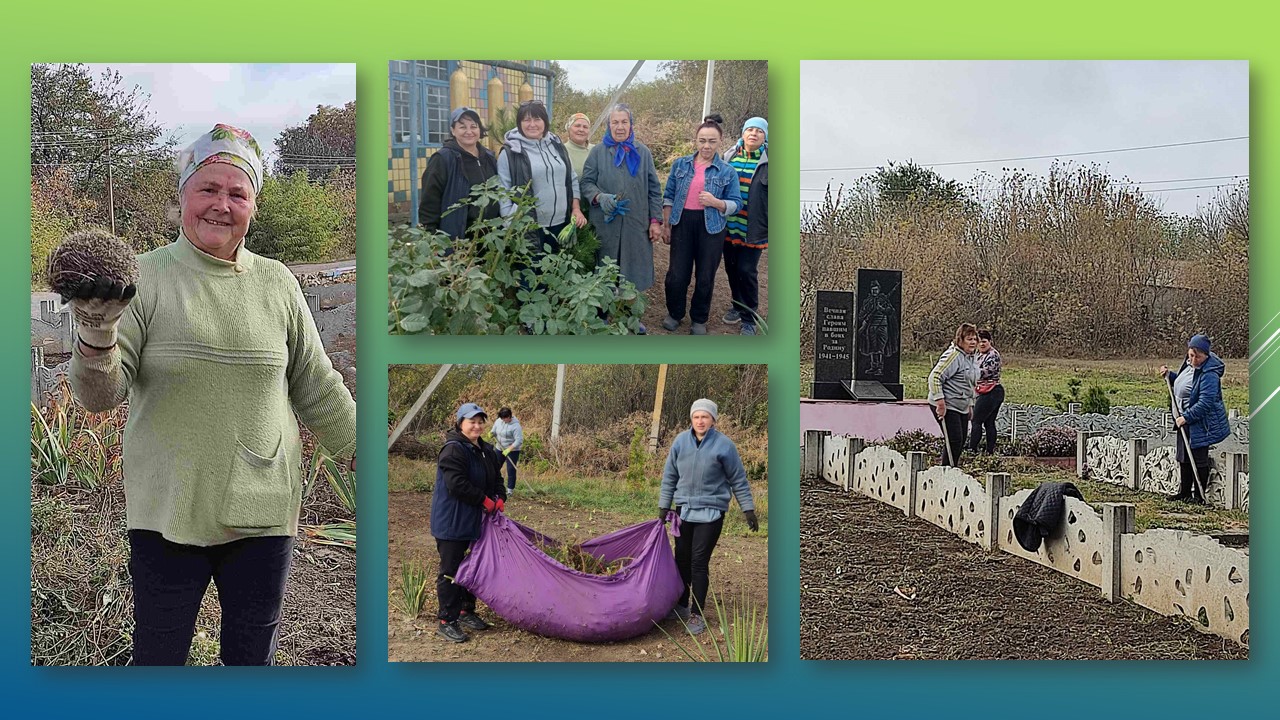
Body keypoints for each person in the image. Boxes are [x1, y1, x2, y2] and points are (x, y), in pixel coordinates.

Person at [66, 124, 356, 666]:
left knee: (250, 661)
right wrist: (96, 336)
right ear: (182, 198)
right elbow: (100, 396)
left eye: (237, 192)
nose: (221, 205)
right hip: (168, 512)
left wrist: (370, 456)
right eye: (208, 189)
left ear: (254, 205)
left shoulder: (278, 283)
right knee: (160, 658)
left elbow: (316, 384)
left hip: (262, 510)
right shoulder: (143, 278)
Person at [658, 399, 759, 635]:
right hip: (684, 510)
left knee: (698, 562)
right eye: (696, 417)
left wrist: (748, 510)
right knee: (681, 560)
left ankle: (697, 613)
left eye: (705, 417)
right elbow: (669, 476)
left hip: (711, 513)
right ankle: (681, 605)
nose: (700, 421)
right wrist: (664, 506)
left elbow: (738, 479)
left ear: (713, 420)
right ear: (691, 419)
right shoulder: (680, 442)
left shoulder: (725, 446)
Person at [581, 103, 664, 334]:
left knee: (633, 272)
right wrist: (599, 197)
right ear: (609, 126)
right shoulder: (598, 152)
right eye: (614, 122)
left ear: (631, 124)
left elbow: (654, 190)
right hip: (606, 224)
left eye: (623, 122)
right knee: (604, 271)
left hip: (636, 225)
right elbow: (586, 182)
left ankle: (630, 319)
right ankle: (601, 317)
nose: (619, 127)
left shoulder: (642, 152)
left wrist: (655, 220)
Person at [660, 114, 742, 335]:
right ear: (696, 141)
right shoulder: (681, 164)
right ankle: (675, 313)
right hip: (682, 223)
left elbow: (737, 203)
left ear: (720, 142)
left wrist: (716, 202)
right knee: (677, 275)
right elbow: (668, 196)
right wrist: (666, 225)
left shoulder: (727, 171)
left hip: (712, 227)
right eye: (702, 140)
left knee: (705, 276)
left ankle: (699, 318)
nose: (707, 146)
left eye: (712, 141)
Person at [431, 403, 507, 643]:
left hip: (476, 522)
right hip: (452, 521)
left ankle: (465, 611)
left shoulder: (486, 450)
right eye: (471, 421)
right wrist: (484, 500)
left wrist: (500, 498)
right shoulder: (453, 450)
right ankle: (447, 620)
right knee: (451, 571)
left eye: (480, 421)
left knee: (472, 566)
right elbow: (457, 485)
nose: (476, 425)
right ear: (460, 423)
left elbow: (496, 479)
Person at [496, 100, 587, 256]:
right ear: (519, 123)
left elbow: (571, 178)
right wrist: (509, 223)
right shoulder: (511, 152)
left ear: (545, 122)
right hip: (529, 228)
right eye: (526, 120)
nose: (532, 124)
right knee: (530, 277)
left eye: (537, 119)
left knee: (554, 276)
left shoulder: (557, 145)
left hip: (561, 225)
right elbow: (503, 190)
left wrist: (576, 208)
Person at [1160, 334, 1231, 503]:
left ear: (1206, 356)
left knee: (1198, 456)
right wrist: (1170, 376)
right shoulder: (1190, 364)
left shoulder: (1209, 374)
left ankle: (1199, 495)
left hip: (1200, 421)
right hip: (1182, 418)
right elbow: (1182, 383)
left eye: (1197, 356)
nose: (1192, 359)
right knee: (1184, 455)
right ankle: (1184, 492)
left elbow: (1205, 403)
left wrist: (1187, 417)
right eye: (1191, 355)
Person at [417, 107, 500, 240]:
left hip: (489, 239)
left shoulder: (489, 157)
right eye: (462, 127)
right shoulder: (443, 159)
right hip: (458, 240)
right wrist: (432, 238)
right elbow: (429, 202)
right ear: (453, 130)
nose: (469, 131)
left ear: (479, 130)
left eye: (473, 126)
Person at [721, 117, 768, 335]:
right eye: (750, 129)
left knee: (746, 271)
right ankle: (737, 306)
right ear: (742, 133)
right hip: (728, 226)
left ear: (765, 136)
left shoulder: (769, 162)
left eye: (759, 131)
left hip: (754, 228)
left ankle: (749, 318)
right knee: (731, 268)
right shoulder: (729, 157)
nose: (754, 133)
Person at [927, 323, 979, 467]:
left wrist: (970, 405)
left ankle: (952, 467)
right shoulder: (954, 356)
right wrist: (940, 403)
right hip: (947, 403)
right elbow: (935, 377)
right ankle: (947, 471)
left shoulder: (971, 358)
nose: (973, 342)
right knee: (954, 439)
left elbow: (969, 383)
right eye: (969, 339)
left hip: (961, 404)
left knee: (961, 440)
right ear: (960, 340)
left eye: (975, 339)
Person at [968, 329, 1005, 455]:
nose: (982, 344)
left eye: (984, 341)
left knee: (976, 420)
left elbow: (984, 373)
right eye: (980, 342)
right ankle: (990, 451)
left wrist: (968, 373)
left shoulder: (993, 355)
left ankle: (972, 449)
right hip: (983, 391)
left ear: (989, 342)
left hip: (992, 391)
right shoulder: (978, 355)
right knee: (989, 422)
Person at [491, 407, 524, 495]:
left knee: (511, 470)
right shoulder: (498, 421)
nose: (504, 420)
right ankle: (493, 486)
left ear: (510, 416)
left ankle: (510, 490)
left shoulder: (516, 426)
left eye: (506, 418)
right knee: (495, 467)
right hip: (499, 448)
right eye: (502, 418)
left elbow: (519, 440)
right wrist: (492, 433)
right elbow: (494, 430)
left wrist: (509, 449)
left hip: (512, 450)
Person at [563, 112, 593, 179]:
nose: (581, 130)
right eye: (577, 126)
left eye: (585, 127)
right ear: (569, 128)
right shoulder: (562, 151)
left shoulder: (596, 150)